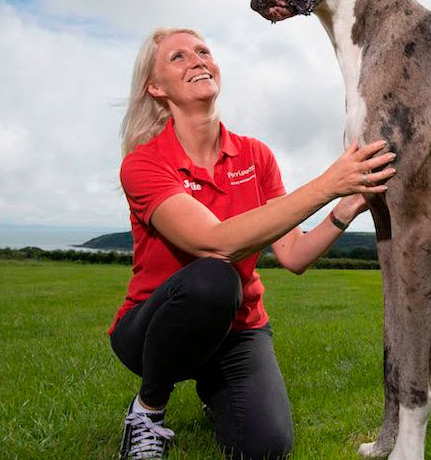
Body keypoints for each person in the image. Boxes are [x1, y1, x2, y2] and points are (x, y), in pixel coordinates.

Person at [108, 27, 395, 460]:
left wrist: (346, 206)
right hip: (151, 331)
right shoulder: (144, 164)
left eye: (204, 51)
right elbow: (213, 243)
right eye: (179, 58)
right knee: (214, 278)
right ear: (155, 87)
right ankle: (148, 409)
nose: (198, 60)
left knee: (264, 448)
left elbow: (293, 255)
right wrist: (328, 184)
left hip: (239, 330)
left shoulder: (255, 156)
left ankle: (215, 390)